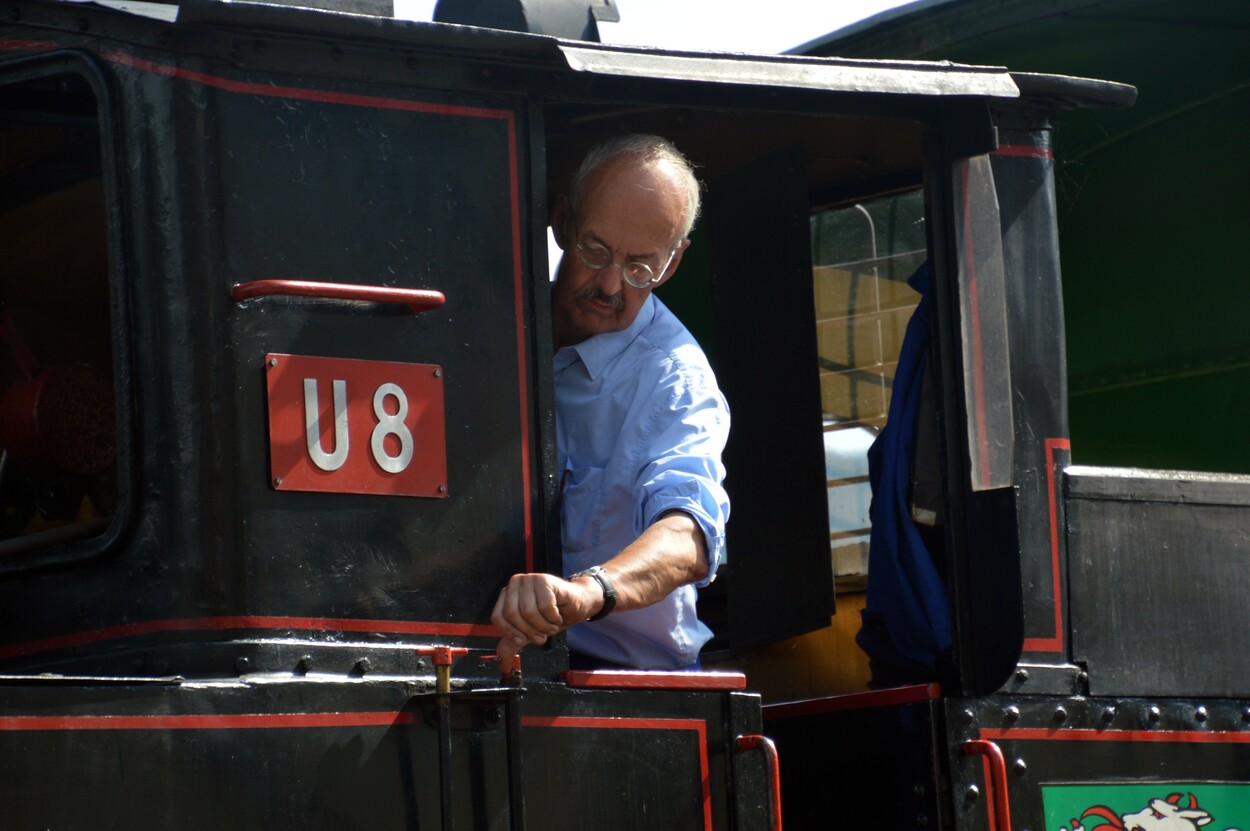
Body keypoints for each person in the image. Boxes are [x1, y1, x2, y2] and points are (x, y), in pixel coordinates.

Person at [491, 134, 730, 670]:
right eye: (595, 251)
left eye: (640, 268)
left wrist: (588, 593)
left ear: (673, 263)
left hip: (621, 683)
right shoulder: (489, 322)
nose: (609, 285)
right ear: (562, 222)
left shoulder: (676, 384)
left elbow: (689, 534)